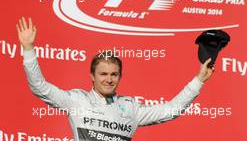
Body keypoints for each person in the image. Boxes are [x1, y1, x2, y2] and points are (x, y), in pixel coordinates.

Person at [17, 17, 215, 141]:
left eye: (114, 74)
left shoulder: (130, 107)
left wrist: (198, 80)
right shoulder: (77, 101)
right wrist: (28, 49)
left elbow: (170, 110)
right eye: (103, 74)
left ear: (120, 77)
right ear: (92, 76)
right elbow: (39, 87)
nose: (109, 79)